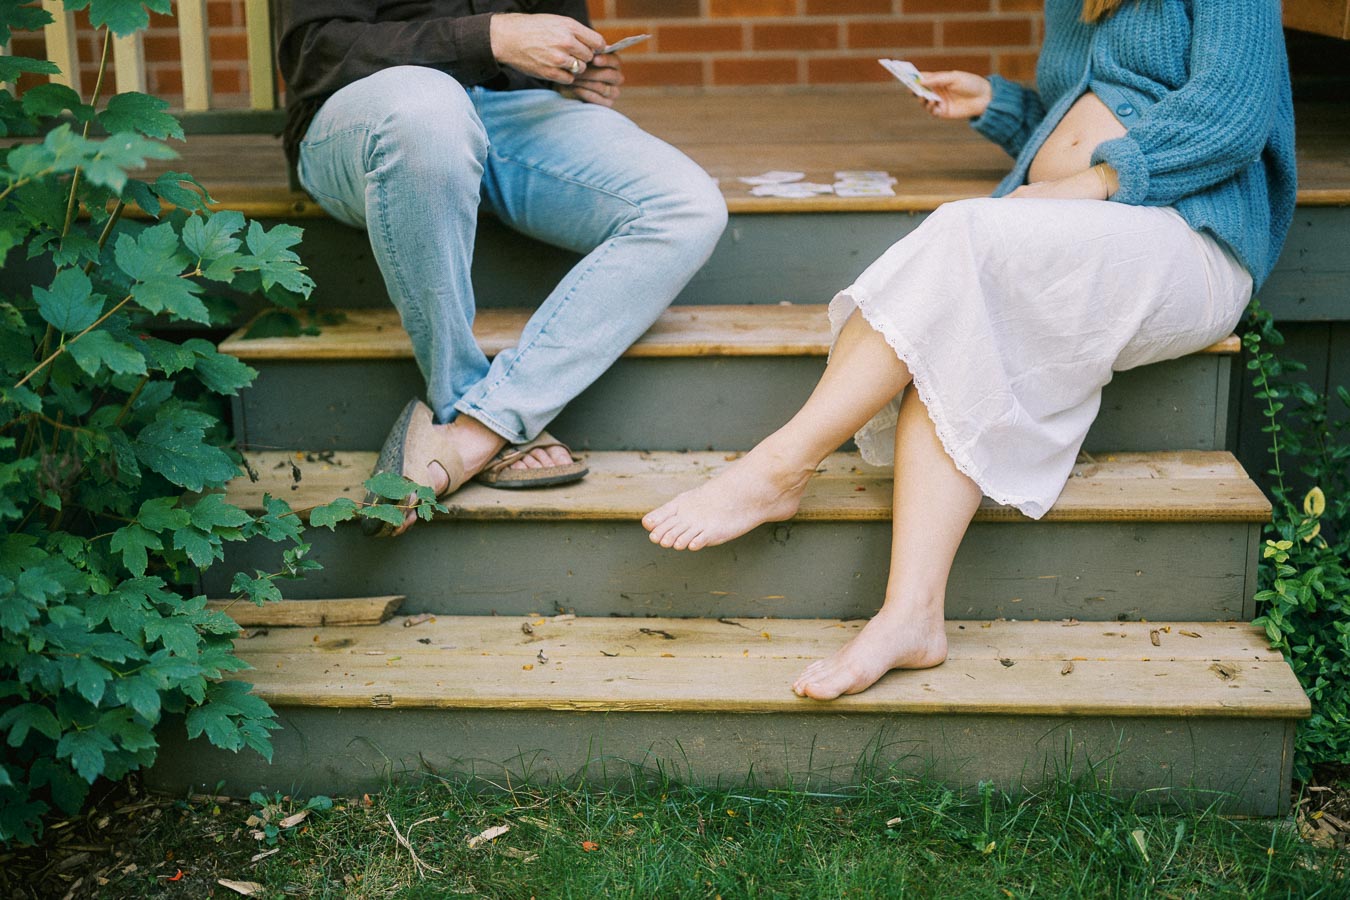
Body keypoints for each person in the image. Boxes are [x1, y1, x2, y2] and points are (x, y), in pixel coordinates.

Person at [642, 0, 1296, 700]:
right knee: (949, 318)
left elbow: (1231, 116)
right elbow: (1087, 110)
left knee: (959, 236)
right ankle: (911, 616)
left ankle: (779, 466)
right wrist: (999, 105)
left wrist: (1088, 184)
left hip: (1189, 237)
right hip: (1094, 229)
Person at [275, 2, 727, 536]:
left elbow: (556, 24)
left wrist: (574, 67)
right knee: (428, 110)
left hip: (516, 112)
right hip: (368, 115)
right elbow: (314, 52)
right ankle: (455, 388)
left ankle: (478, 429)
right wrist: (490, 38)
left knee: (687, 205)